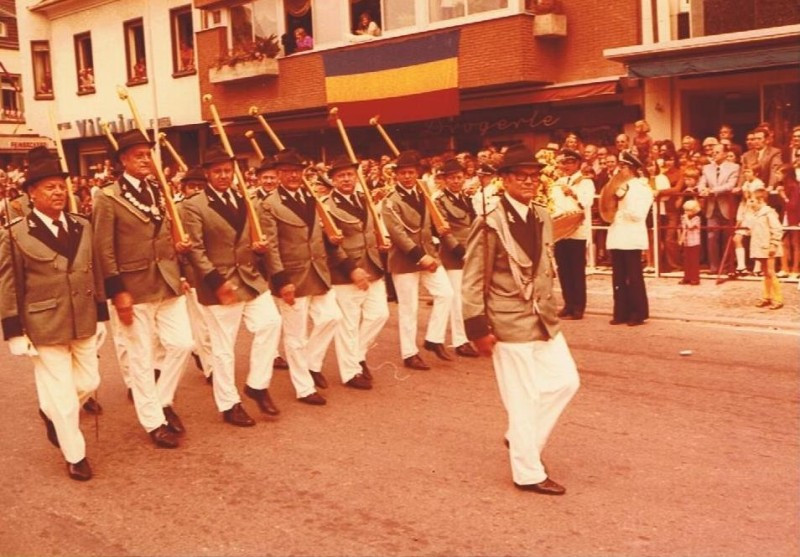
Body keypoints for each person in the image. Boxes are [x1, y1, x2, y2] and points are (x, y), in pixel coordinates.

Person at [461, 144, 580, 495]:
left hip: (542, 316)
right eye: (520, 177)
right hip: (508, 322)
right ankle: (528, 473)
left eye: (533, 176)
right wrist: (477, 327)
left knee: (565, 381)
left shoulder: (541, 214)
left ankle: (520, 438)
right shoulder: (490, 222)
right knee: (523, 398)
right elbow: (471, 279)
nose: (529, 182)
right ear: (504, 181)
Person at [0, 147, 109, 481]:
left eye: (61, 185)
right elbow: (8, 284)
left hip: (84, 319)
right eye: (49, 186)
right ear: (32, 193)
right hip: (44, 324)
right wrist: (14, 332)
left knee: (90, 381)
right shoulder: (15, 234)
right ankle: (75, 454)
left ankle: (49, 413)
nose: (59, 191)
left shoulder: (82, 225)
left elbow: (96, 271)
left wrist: (102, 315)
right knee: (63, 396)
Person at [93, 129, 194, 449]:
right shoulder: (107, 197)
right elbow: (103, 249)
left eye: (148, 154)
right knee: (141, 356)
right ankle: (153, 421)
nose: (145, 159)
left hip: (166, 281)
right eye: (138, 155)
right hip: (133, 287)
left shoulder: (157, 189)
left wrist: (177, 250)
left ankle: (162, 400)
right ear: (122, 160)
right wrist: (116, 290)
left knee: (182, 344)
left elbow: (159, 234)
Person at [181, 146, 283, 424]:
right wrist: (216, 281)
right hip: (219, 284)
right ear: (207, 174)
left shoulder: (245, 200)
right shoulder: (194, 205)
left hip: (250, 278)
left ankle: (257, 385)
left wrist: (259, 249)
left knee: (271, 323)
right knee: (224, 347)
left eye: (227, 170)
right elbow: (196, 250)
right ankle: (229, 404)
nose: (224, 176)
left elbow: (250, 240)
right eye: (217, 172)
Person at [259, 149, 358, 405]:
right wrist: (281, 281)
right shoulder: (269, 204)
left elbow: (321, 237)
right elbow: (270, 246)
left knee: (332, 318)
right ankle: (304, 387)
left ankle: (311, 363)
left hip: (319, 272)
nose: (293, 176)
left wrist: (345, 263)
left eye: (297, 171)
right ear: (279, 174)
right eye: (287, 172)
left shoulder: (312, 197)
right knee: (295, 336)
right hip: (291, 276)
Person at [381, 150, 454, 370]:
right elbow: (398, 235)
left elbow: (427, 224)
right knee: (408, 308)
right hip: (405, 260)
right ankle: (409, 353)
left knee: (446, 293)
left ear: (417, 173)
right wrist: (421, 258)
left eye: (410, 172)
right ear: (396, 176)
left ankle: (433, 338)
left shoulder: (424, 193)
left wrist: (438, 228)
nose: (407, 177)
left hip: (428, 254)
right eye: (402, 173)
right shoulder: (389, 201)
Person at [323, 155, 390, 388]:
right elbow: (330, 245)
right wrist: (351, 269)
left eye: (350, 175)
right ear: (332, 180)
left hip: (373, 265)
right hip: (345, 272)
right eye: (340, 176)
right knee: (348, 324)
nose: (346, 179)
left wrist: (381, 243)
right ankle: (350, 372)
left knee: (380, 314)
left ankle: (357, 354)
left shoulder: (366, 199)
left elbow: (372, 229)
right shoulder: (327, 206)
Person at [434, 158, 479, 357]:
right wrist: (461, 252)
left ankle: (469, 337)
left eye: (459, 177)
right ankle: (460, 341)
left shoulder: (468, 198)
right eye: (452, 178)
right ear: (444, 180)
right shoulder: (439, 201)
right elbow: (444, 232)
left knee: (470, 297)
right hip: (454, 255)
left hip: (472, 251)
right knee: (457, 299)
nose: (456, 181)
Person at [606, 151, 653, 326]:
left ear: (632, 169)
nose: (620, 170)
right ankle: (621, 312)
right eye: (620, 166)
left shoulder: (642, 189)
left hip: (632, 236)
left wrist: (622, 205)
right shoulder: (617, 186)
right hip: (617, 235)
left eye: (624, 167)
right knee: (618, 277)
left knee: (634, 277)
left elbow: (639, 214)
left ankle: (638, 313)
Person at [551, 148, 594, 319]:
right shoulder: (558, 182)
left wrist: (573, 193)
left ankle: (578, 306)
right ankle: (568, 304)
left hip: (577, 229)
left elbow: (587, 202)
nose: (566, 166)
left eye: (570, 162)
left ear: (577, 163)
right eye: (564, 162)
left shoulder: (585, 182)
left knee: (576, 269)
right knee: (563, 269)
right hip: (561, 229)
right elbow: (553, 204)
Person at [698, 143, 739, 275]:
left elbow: (730, 185)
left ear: (725, 154)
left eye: (717, 152)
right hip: (711, 207)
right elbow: (701, 182)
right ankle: (714, 267)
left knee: (727, 238)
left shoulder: (734, 167)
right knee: (711, 237)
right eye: (713, 152)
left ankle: (727, 266)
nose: (714, 154)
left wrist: (712, 190)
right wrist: (702, 189)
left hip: (726, 206)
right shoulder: (707, 168)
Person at [748, 189, 783, 310]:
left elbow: (777, 229)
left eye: (752, 200)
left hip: (768, 248)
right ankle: (767, 296)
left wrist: (773, 244)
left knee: (770, 272)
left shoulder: (768, 213)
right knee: (765, 273)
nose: (750, 203)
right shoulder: (756, 214)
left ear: (761, 200)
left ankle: (778, 299)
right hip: (761, 248)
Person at [678, 199, 701, 285]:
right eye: (685, 210)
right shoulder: (684, 218)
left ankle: (695, 278)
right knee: (686, 261)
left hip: (695, 242)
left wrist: (686, 219)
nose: (686, 212)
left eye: (688, 210)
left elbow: (690, 226)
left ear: (694, 211)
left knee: (693, 261)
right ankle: (687, 277)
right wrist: (681, 239)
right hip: (687, 242)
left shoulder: (697, 218)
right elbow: (684, 229)